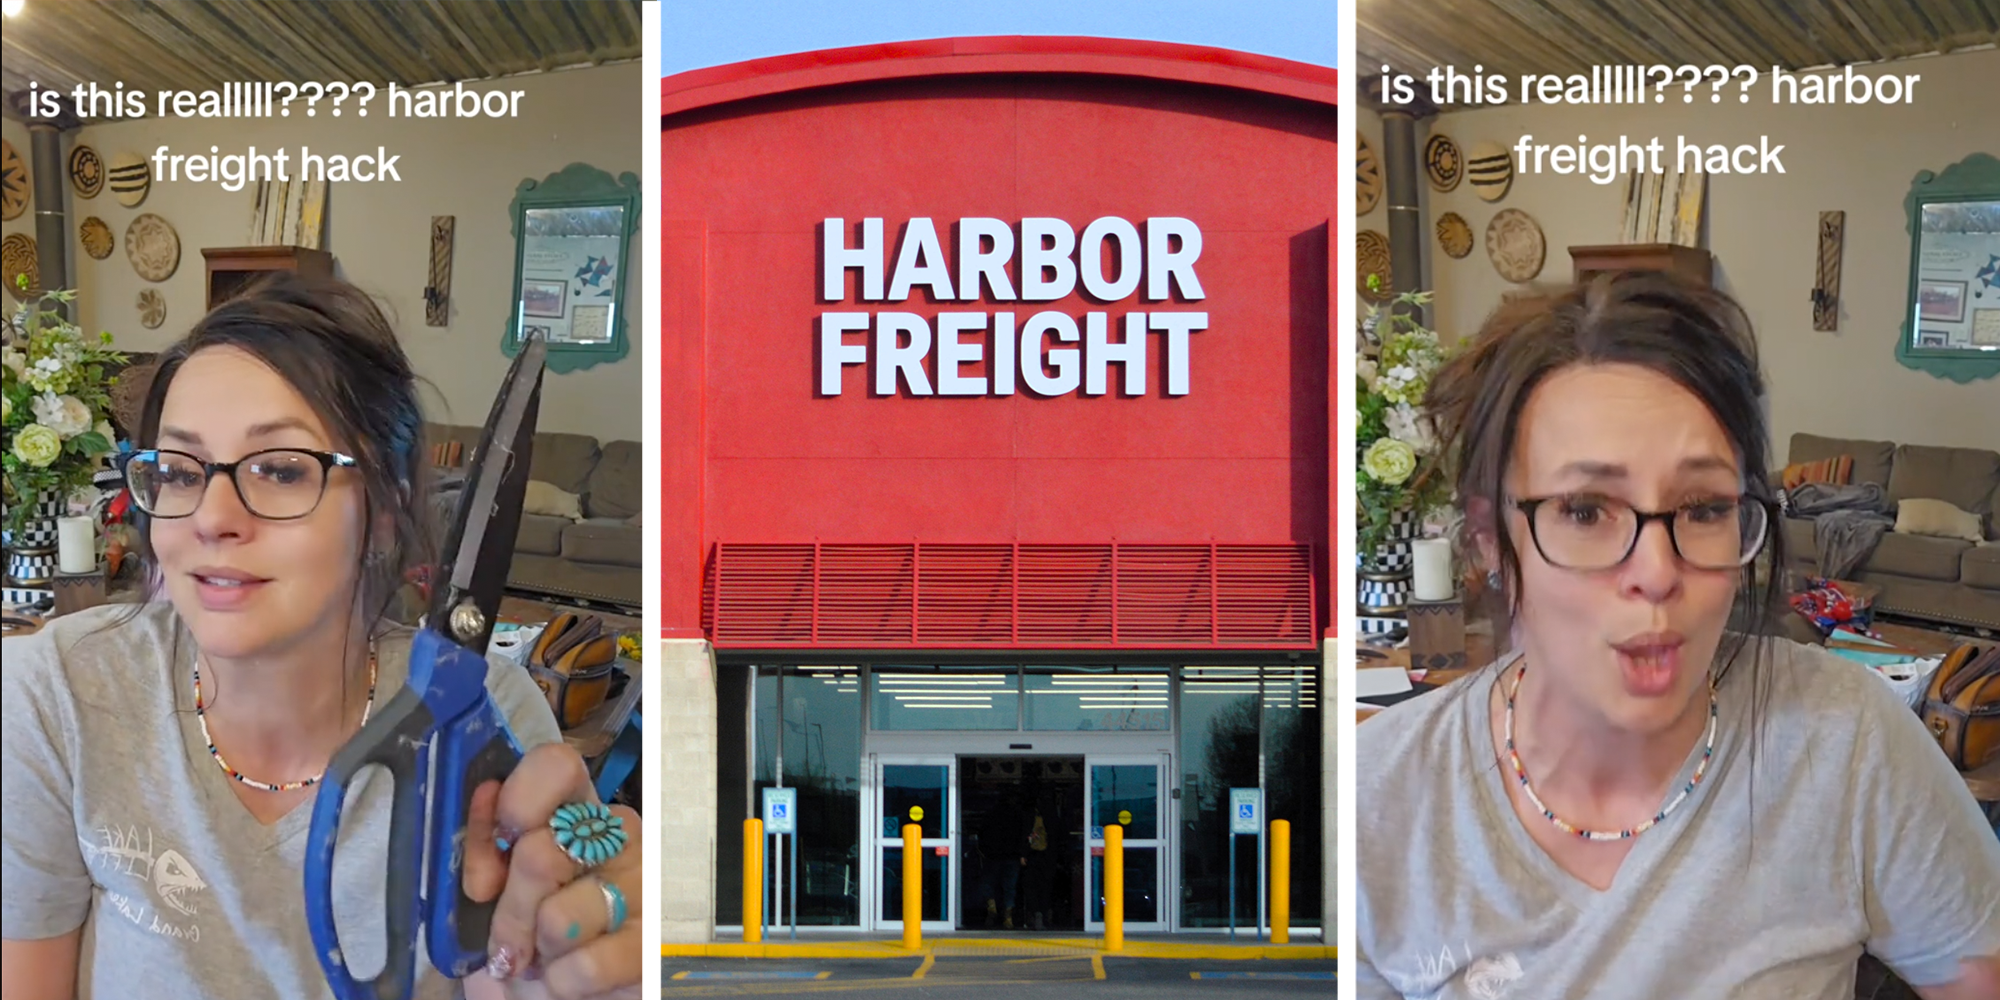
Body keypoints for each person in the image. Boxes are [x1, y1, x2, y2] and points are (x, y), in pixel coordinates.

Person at [1354, 275, 2000, 999]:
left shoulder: (1845, 742)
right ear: (1487, 540)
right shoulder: (1375, 799)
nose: (1659, 574)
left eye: (1702, 508)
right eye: (1586, 509)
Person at [1, 276, 643, 999]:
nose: (210, 518)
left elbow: (508, 969)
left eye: (279, 469)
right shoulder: (57, 692)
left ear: (388, 511)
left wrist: (567, 959)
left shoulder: (484, 710)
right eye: (178, 471)